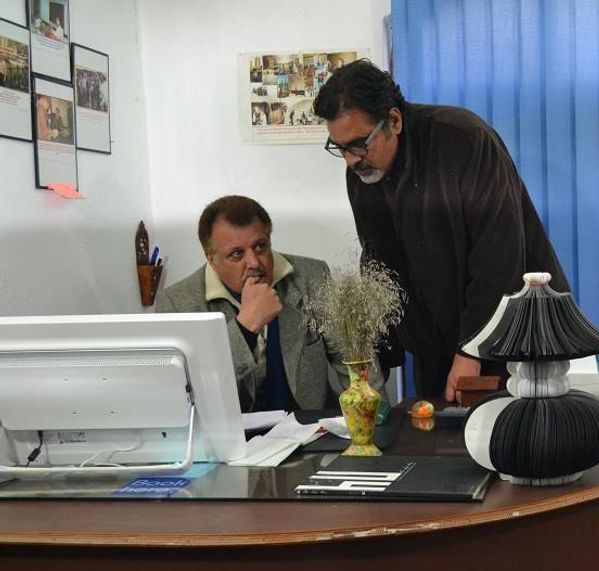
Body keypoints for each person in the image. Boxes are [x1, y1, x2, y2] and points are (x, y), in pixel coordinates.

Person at [313, 59, 569, 401]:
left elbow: (499, 257)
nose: (350, 160)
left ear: (394, 121)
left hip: (513, 331)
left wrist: (470, 352)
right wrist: (376, 362)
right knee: (434, 428)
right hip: (436, 339)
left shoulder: (465, 140)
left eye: (359, 144)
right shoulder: (363, 171)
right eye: (340, 148)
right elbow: (378, 264)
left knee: (505, 429)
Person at [156, 195, 367, 412]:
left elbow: (354, 358)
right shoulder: (176, 304)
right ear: (211, 259)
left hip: (309, 424)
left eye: (260, 247)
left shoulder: (311, 277)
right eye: (237, 254)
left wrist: (373, 420)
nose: (254, 263)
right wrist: (245, 327)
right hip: (233, 430)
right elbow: (185, 395)